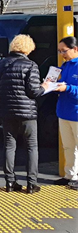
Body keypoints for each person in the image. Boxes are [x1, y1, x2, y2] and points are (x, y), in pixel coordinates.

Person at [0, 34, 48, 194]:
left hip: (7, 111)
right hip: (27, 113)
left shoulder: (2, 64)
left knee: (9, 146)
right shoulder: (31, 65)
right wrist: (45, 86)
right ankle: (32, 184)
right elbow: (33, 91)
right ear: (28, 48)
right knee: (32, 147)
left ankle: (10, 182)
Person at [53, 36, 78, 188]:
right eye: (60, 51)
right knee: (68, 146)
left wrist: (67, 88)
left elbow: (71, 88)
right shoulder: (65, 65)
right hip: (64, 111)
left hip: (76, 113)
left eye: (64, 51)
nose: (62, 54)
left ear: (75, 49)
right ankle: (70, 175)